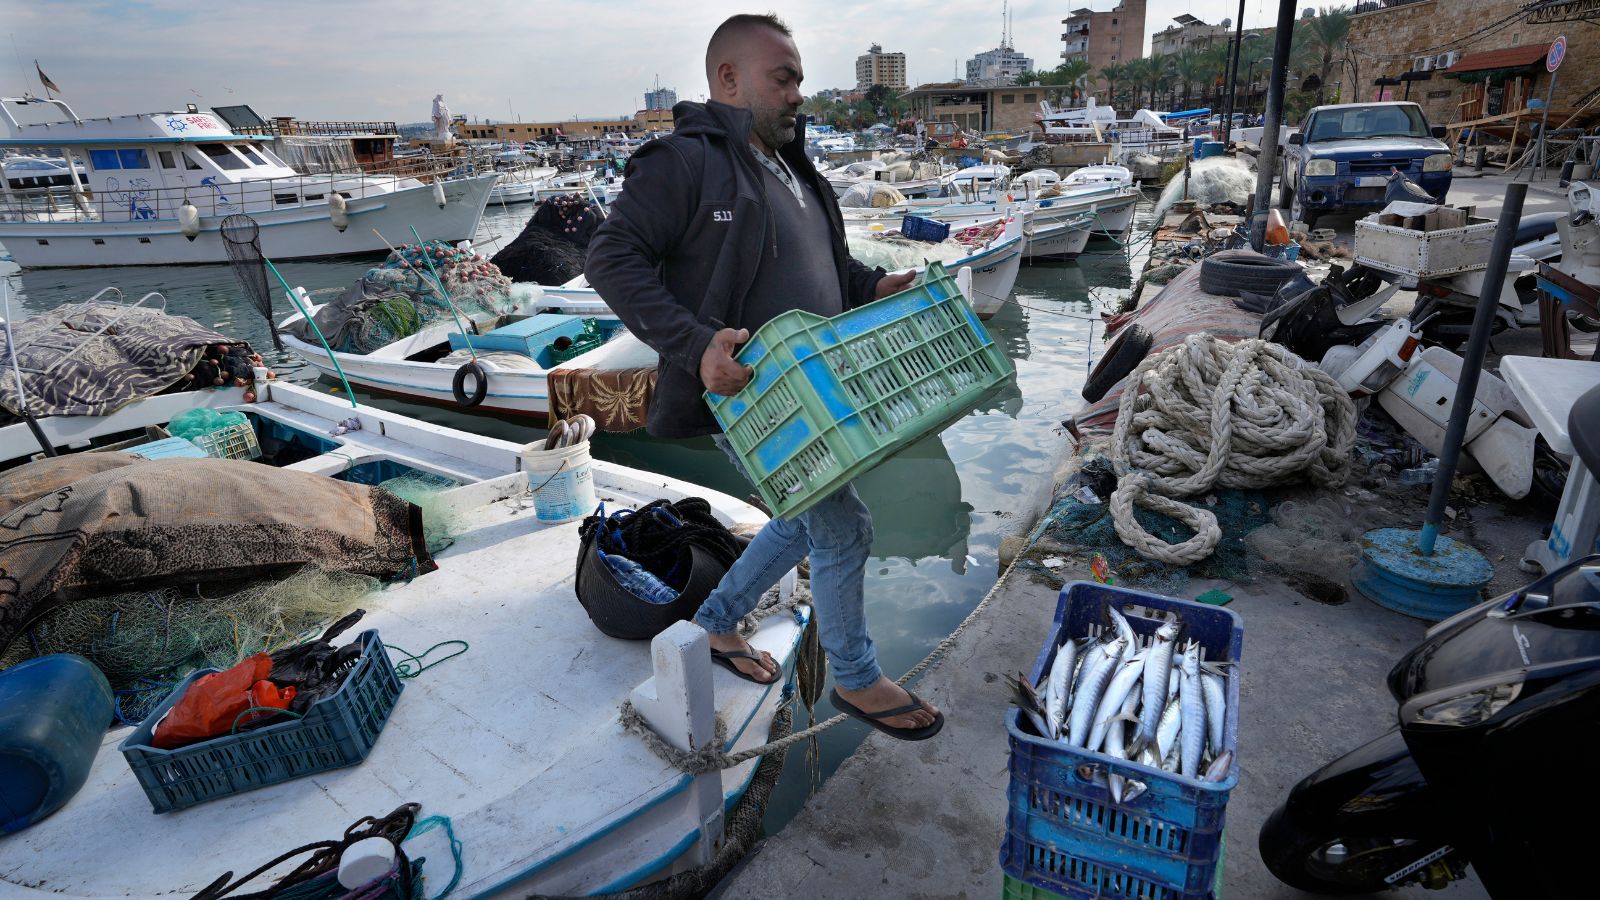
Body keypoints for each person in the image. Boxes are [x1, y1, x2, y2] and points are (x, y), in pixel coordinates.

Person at [586, 12, 943, 740]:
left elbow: (828, 266)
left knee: (804, 513)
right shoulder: (685, 162)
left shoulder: (796, 168)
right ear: (729, 78)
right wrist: (695, 345)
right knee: (843, 528)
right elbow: (611, 258)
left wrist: (877, 286)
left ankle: (717, 621)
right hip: (748, 397)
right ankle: (856, 676)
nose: (797, 94)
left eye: (799, 80)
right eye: (783, 79)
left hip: (814, 390)